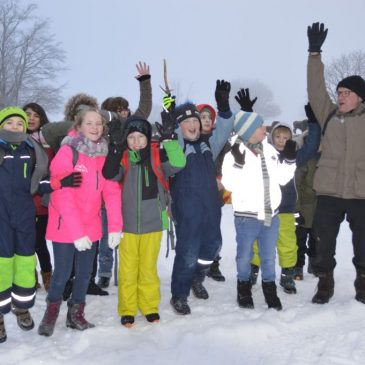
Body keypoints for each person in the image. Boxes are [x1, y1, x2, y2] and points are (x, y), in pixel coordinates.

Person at [37, 106, 122, 337]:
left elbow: (112, 192)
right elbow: (61, 195)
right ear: (79, 126)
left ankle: (75, 314)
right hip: (65, 227)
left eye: (99, 123)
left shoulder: (105, 154)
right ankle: (51, 312)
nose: (95, 128)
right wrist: (76, 232)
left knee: (85, 274)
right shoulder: (68, 152)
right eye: (89, 123)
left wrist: (115, 227)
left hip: (91, 226)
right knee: (62, 273)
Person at [103, 112, 186, 327]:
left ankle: (149, 306)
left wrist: (169, 140)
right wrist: (114, 145)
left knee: (148, 269)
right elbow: (109, 174)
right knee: (128, 270)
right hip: (128, 226)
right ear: (126, 140)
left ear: (148, 138)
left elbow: (179, 163)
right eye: (131, 138)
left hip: (153, 224)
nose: (136, 142)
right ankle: (128, 309)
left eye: (141, 137)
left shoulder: (158, 158)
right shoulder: (123, 159)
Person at [306, 22, 365, 304]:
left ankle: (363, 282)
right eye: (339, 93)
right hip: (329, 191)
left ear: (360, 98)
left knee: (364, 245)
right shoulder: (329, 115)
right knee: (322, 242)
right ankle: (325, 282)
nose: (340, 97)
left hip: (361, 192)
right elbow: (316, 89)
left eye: (346, 93)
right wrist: (314, 54)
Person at [169, 80, 234, 315]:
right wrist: (170, 105)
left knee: (212, 247)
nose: (193, 124)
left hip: (210, 210)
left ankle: (198, 277)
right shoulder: (177, 146)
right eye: (187, 121)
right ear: (180, 126)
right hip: (188, 210)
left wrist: (223, 105)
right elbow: (172, 125)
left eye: (195, 120)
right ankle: (180, 294)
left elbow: (225, 128)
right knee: (187, 252)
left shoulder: (208, 145)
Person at [222, 110, 296, 310]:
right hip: (247, 217)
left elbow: (282, 178)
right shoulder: (234, 153)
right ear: (248, 130)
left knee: (268, 256)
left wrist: (289, 161)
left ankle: (269, 290)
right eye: (260, 126)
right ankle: (243, 288)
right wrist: (238, 164)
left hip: (271, 214)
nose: (265, 129)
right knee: (245, 255)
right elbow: (229, 183)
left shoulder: (269, 150)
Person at [97, 61, 152, 289]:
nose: (125, 112)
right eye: (119, 109)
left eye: (125, 108)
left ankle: (129, 270)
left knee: (128, 233)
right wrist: (109, 116)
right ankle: (105, 271)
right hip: (108, 188)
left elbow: (145, 107)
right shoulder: (103, 129)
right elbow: (94, 114)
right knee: (105, 235)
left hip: (129, 187)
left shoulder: (133, 124)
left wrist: (145, 81)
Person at [0, 107, 49, 343]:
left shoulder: (32, 149)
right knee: (1, 261)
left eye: (19, 124)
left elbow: (42, 176)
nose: (16, 127)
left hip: (24, 212)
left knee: (25, 259)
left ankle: (22, 306)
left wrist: (51, 185)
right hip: (0, 214)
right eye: (10, 123)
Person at [197, 103, 230, 282]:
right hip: (195, 194)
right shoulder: (191, 139)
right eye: (203, 117)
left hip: (215, 191)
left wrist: (221, 178)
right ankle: (198, 266)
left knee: (213, 230)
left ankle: (214, 264)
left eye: (210, 117)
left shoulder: (221, 140)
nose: (207, 120)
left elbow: (229, 161)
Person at [23, 102, 54, 291]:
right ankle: (29, 277)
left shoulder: (49, 142)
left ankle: (47, 275)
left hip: (42, 200)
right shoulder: (16, 142)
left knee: (40, 242)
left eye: (36, 115)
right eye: (27, 114)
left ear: (42, 118)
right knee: (26, 242)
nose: (31, 118)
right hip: (23, 201)